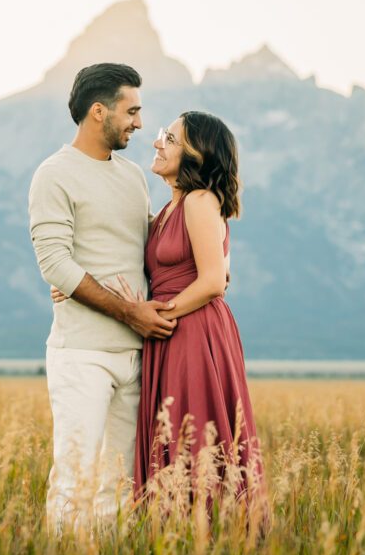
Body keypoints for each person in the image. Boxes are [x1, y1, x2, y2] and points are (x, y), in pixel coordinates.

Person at [27, 63, 177, 531]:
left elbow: (152, 248)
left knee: (119, 487)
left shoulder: (133, 176)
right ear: (99, 112)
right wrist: (125, 309)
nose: (138, 122)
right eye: (131, 111)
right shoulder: (54, 175)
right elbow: (55, 263)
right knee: (74, 481)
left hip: (136, 356)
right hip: (81, 355)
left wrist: (212, 262)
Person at [104, 111, 268, 527]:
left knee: (193, 436)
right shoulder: (166, 210)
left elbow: (213, 281)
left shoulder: (199, 201)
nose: (157, 142)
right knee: (174, 436)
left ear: (196, 155)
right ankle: (175, 532)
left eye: (170, 138)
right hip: (169, 332)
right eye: (162, 135)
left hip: (193, 331)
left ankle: (212, 533)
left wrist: (155, 316)